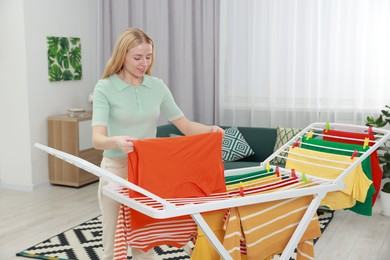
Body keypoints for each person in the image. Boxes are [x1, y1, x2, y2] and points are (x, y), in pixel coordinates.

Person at [92, 27, 224, 260]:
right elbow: (97, 140)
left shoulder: (157, 86)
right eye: (137, 57)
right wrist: (115, 140)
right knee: (112, 244)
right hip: (117, 170)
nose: (144, 63)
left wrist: (210, 130)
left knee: (145, 240)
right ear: (122, 55)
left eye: (148, 56)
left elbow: (184, 125)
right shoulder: (105, 87)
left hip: (147, 172)